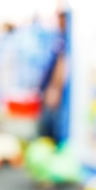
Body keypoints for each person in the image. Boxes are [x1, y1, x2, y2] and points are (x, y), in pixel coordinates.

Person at [38, 11, 68, 143]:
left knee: (52, 123)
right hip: (49, 87)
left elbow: (62, 65)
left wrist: (55, 88)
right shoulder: (59, 38)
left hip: (56, 91)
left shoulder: (68, 41)